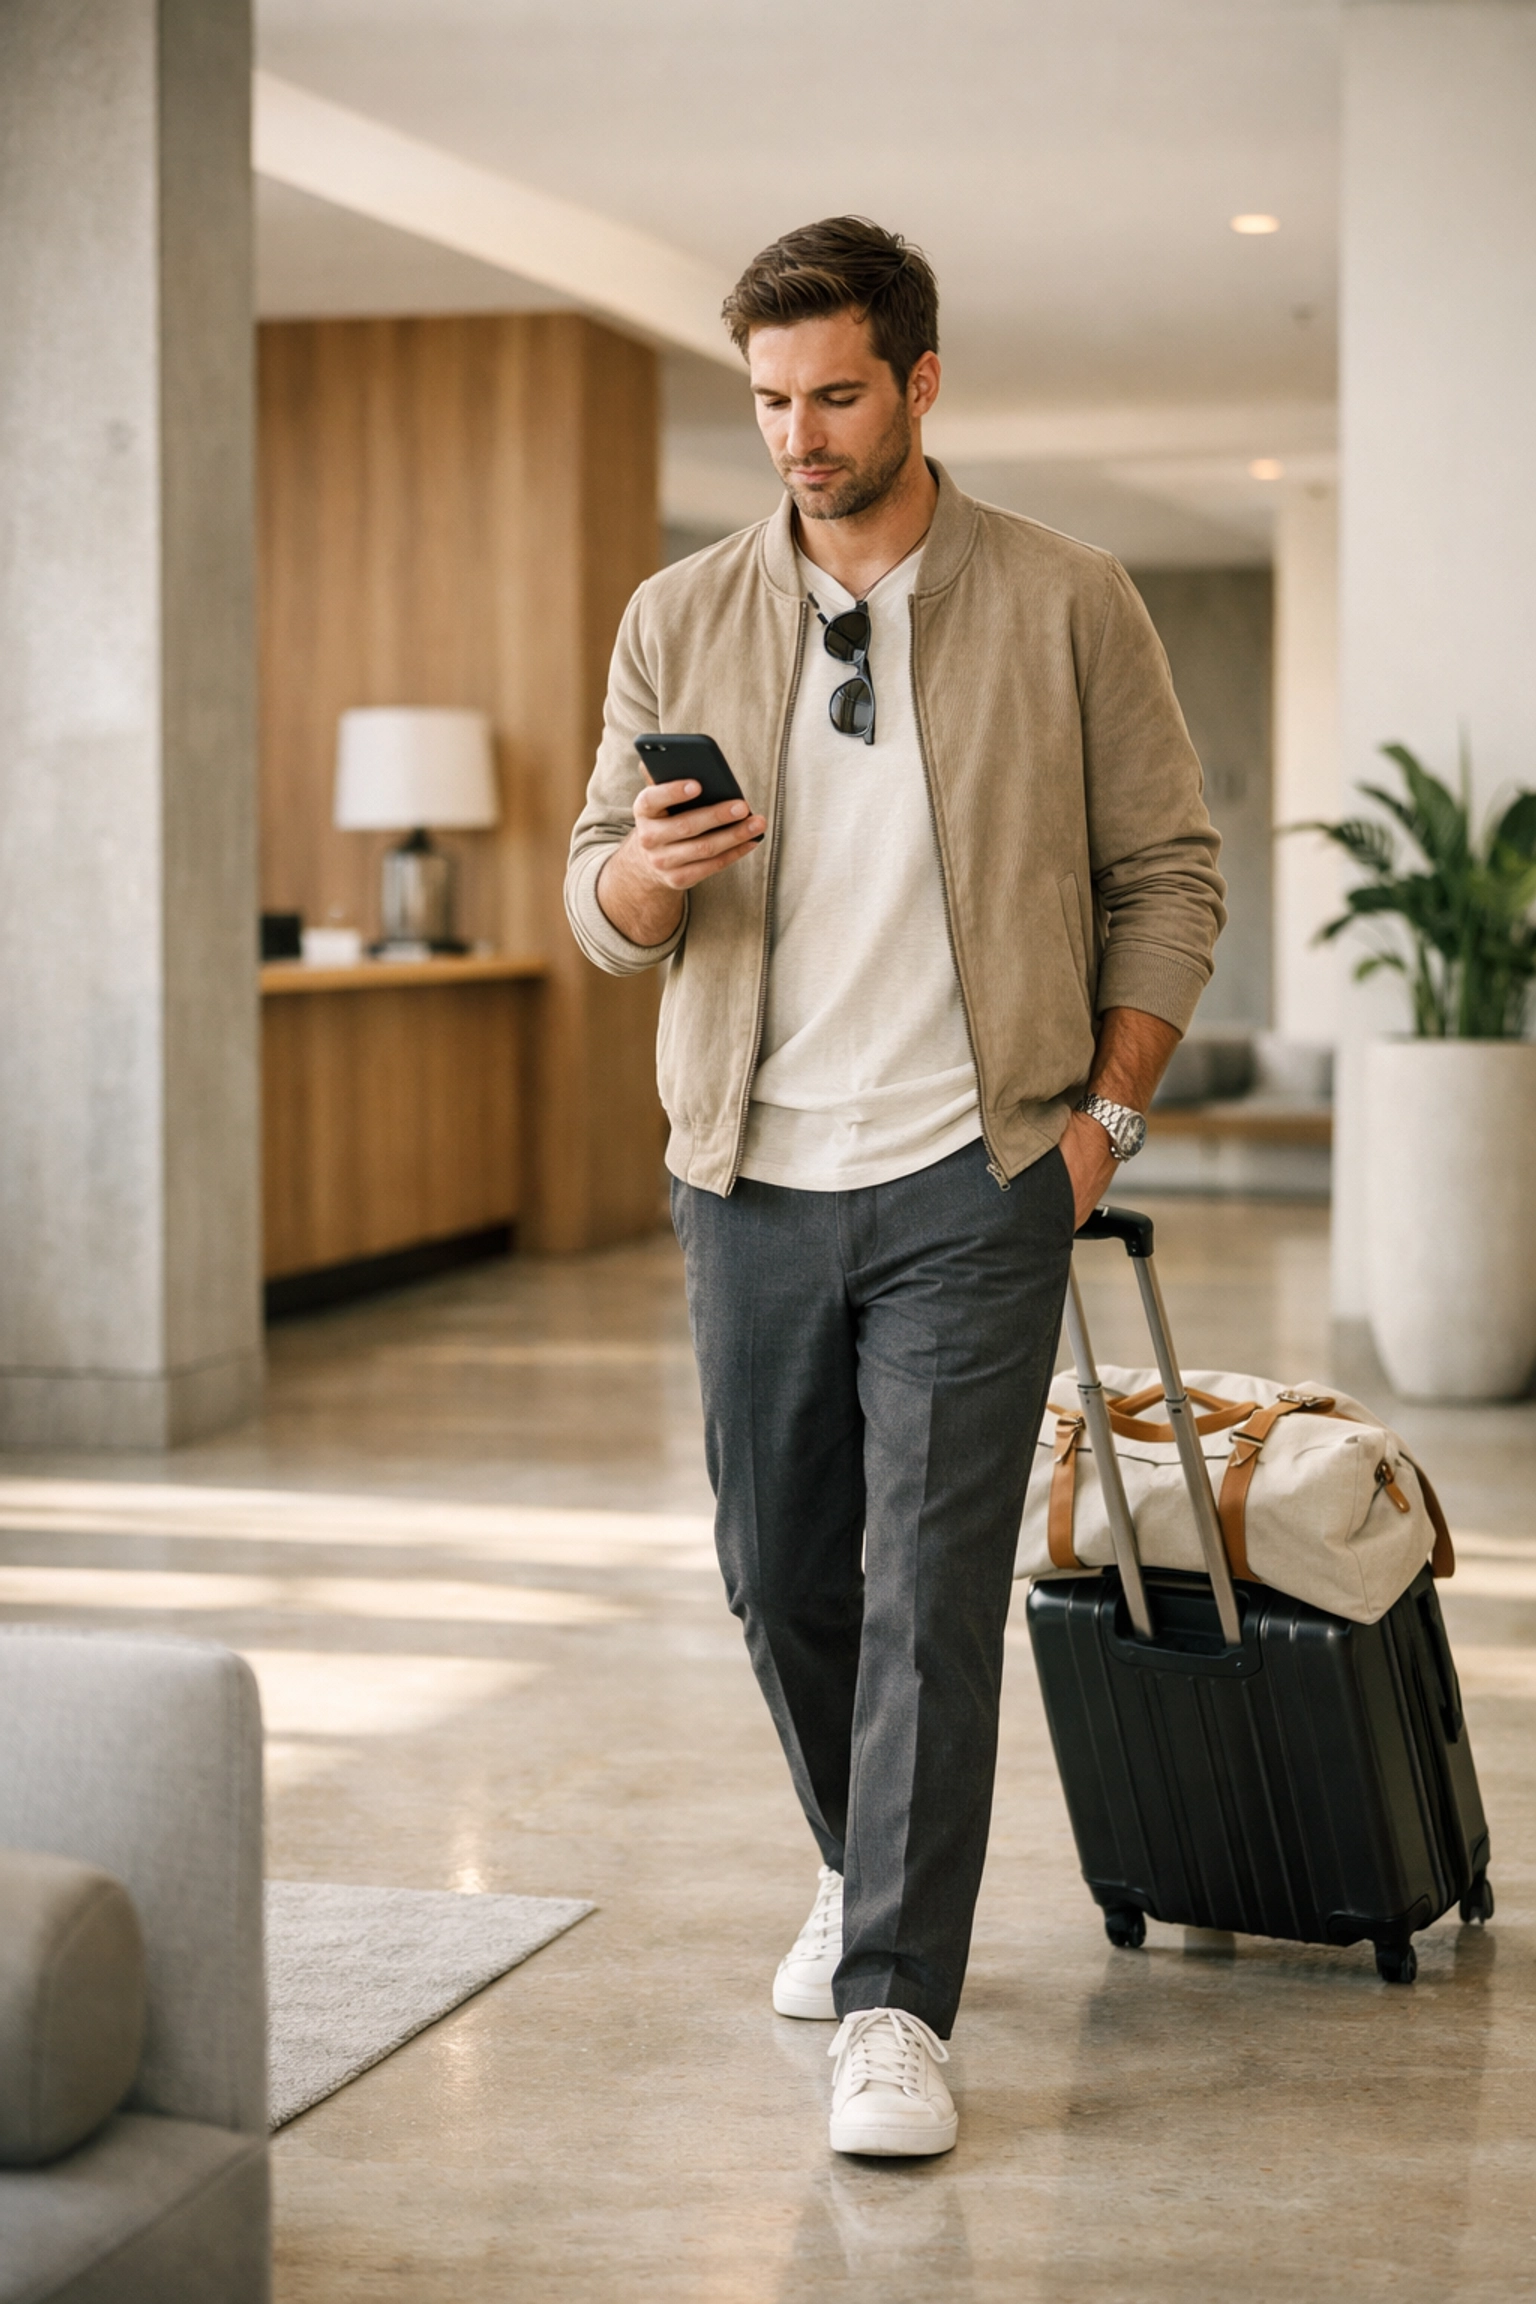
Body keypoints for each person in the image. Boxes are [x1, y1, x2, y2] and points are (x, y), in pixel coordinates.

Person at [565, 216, 1225, 2159]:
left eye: (834, 393)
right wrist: (653, 875)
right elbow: (599, 910)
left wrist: (1105, 1118)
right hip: (749, 1172)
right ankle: (866, 1866)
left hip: (974, 1165)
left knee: (931, 1587)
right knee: (780, 1577)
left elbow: (1170, 877)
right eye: (769, 399)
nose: (798, 435)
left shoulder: (1068, 599)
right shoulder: (676, 617)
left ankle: (895, 2008)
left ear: (922, 382)